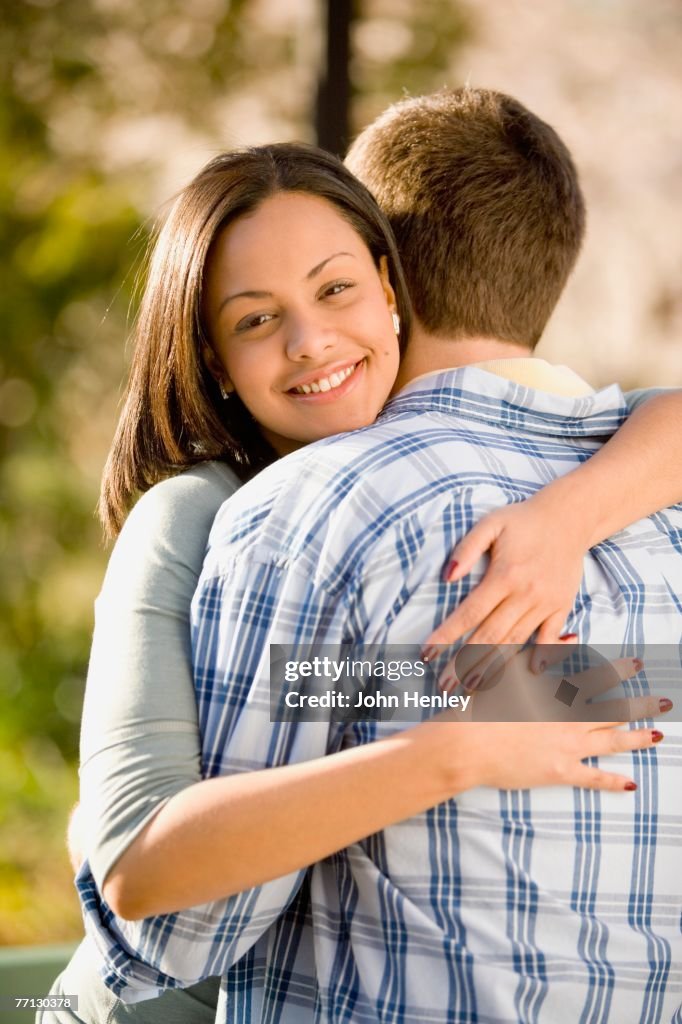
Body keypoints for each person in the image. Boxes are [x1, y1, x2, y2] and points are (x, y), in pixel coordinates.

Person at [66, 94, 682, 1024]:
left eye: (335, 288)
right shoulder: (205, 516)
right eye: (254, 318)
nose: (310, 340)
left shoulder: (331, 513)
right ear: (213, 358)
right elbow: (153, 898)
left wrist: (564, 524)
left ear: (393, 283)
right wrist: (453, 741)